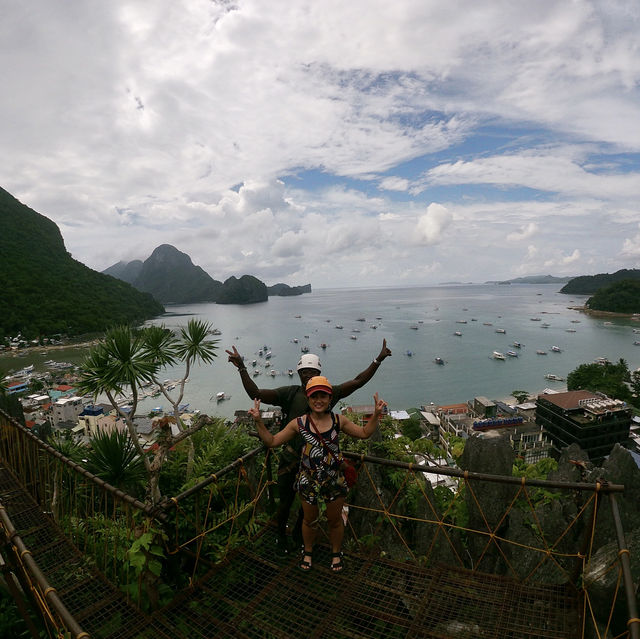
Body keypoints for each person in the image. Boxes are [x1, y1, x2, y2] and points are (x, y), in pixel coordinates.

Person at [226, 339, 391, 555]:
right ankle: (281, 538)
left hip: (318, 465)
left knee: (309, 506)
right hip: (291, 458)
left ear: (319, 373)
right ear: (298, 373)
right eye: (303, 371)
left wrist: (377, 360)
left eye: (311, 371)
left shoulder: (328, 392)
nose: (307, 375)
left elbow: (358, 381)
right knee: (285, 503)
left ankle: (299, 537)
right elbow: (255, 393)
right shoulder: (290, 393)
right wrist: (242, 368)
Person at [249, 376, 387, 572]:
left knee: (334, 520)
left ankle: (336, 552)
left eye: (323, 396)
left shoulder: (338, 420)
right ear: (308, 399)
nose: (319, 400)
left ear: (330, 399)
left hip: (333, 479)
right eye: (314, 396)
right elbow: (272, 441)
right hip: (308, 479)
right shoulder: (299, 423)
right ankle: (308, 551)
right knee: (308, 520)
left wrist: (376, 414)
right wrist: (258, 421)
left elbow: (364, 433)